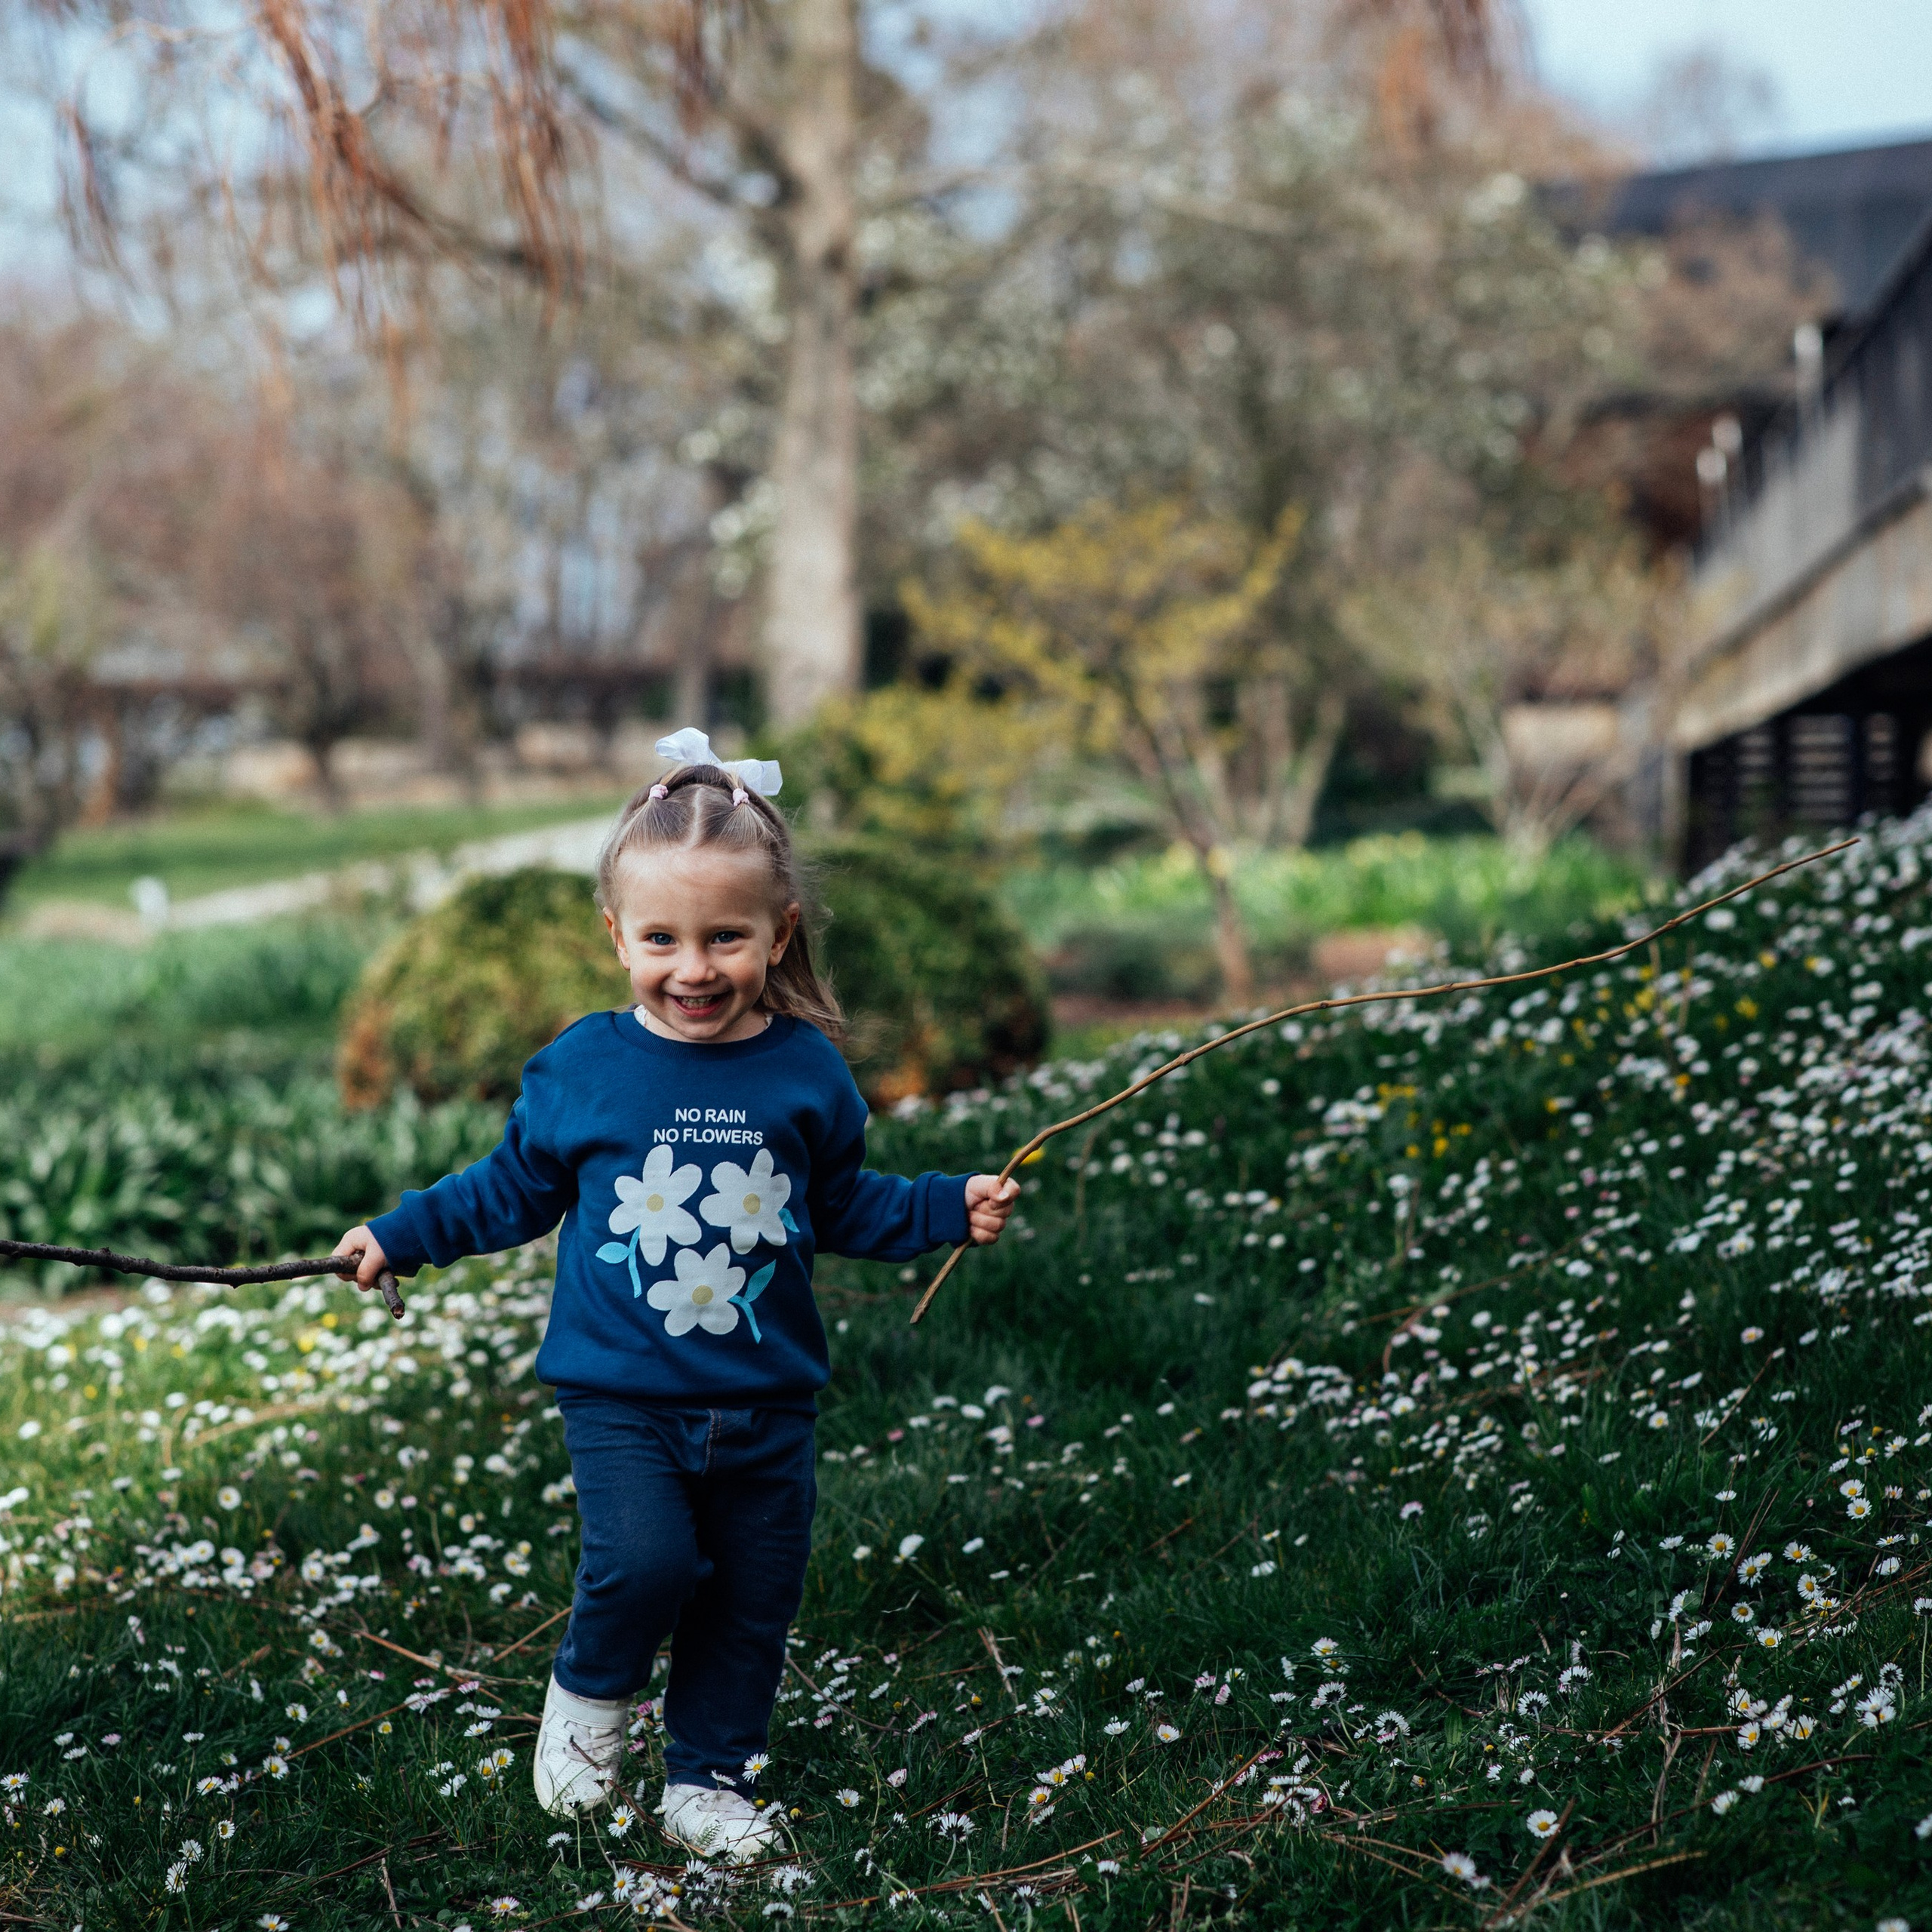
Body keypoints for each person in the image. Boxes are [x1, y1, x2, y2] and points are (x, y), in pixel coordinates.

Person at [332, 728, 1020, 1860]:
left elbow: (842, 1206)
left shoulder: (805, 1072)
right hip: (623, 1395)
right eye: (662, 939)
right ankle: (588, 1709)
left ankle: (707, 1780)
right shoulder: (585, 1068)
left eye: (725, 938)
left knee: (751, 1600)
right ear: (616, 936)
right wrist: (404, 1236)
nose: (693, 968)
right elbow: (510, 1189)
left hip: (768, 1397)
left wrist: (947, 1206)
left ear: (778, 932)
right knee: (645, 1562)